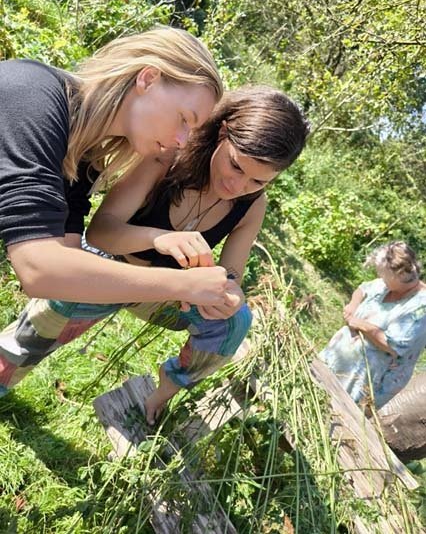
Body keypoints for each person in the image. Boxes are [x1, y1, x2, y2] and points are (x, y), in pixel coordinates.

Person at [0, 87, 309, 422]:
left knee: (235, 322)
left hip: (168, 297)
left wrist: (230, 293)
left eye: (257, 181)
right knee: (29, 340)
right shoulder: (167, 158)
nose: (238, 185)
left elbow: (232, 273)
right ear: (222, 133)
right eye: (235, 166)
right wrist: (159, 238)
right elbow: (100, 232)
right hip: (109, 272)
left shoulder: (253, 205)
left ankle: (160, 394)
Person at [0, 25, 227, 311]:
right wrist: (182, 285)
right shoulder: (33, 94)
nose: (181, 142)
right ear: (148, 79)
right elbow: (38, 268)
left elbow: (65, 268)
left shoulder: (84, 157)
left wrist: (179, 284)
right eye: (184, 119)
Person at [319, 241, 426, 411]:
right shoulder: (385, 284)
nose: (379, 277)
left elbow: (392, 345)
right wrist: (353, 305)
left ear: (397, 275)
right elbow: (363, 289)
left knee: (330, 415)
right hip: (335, 361)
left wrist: (359, 323)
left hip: (363, 380)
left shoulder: (421, 307)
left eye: (382, 274)